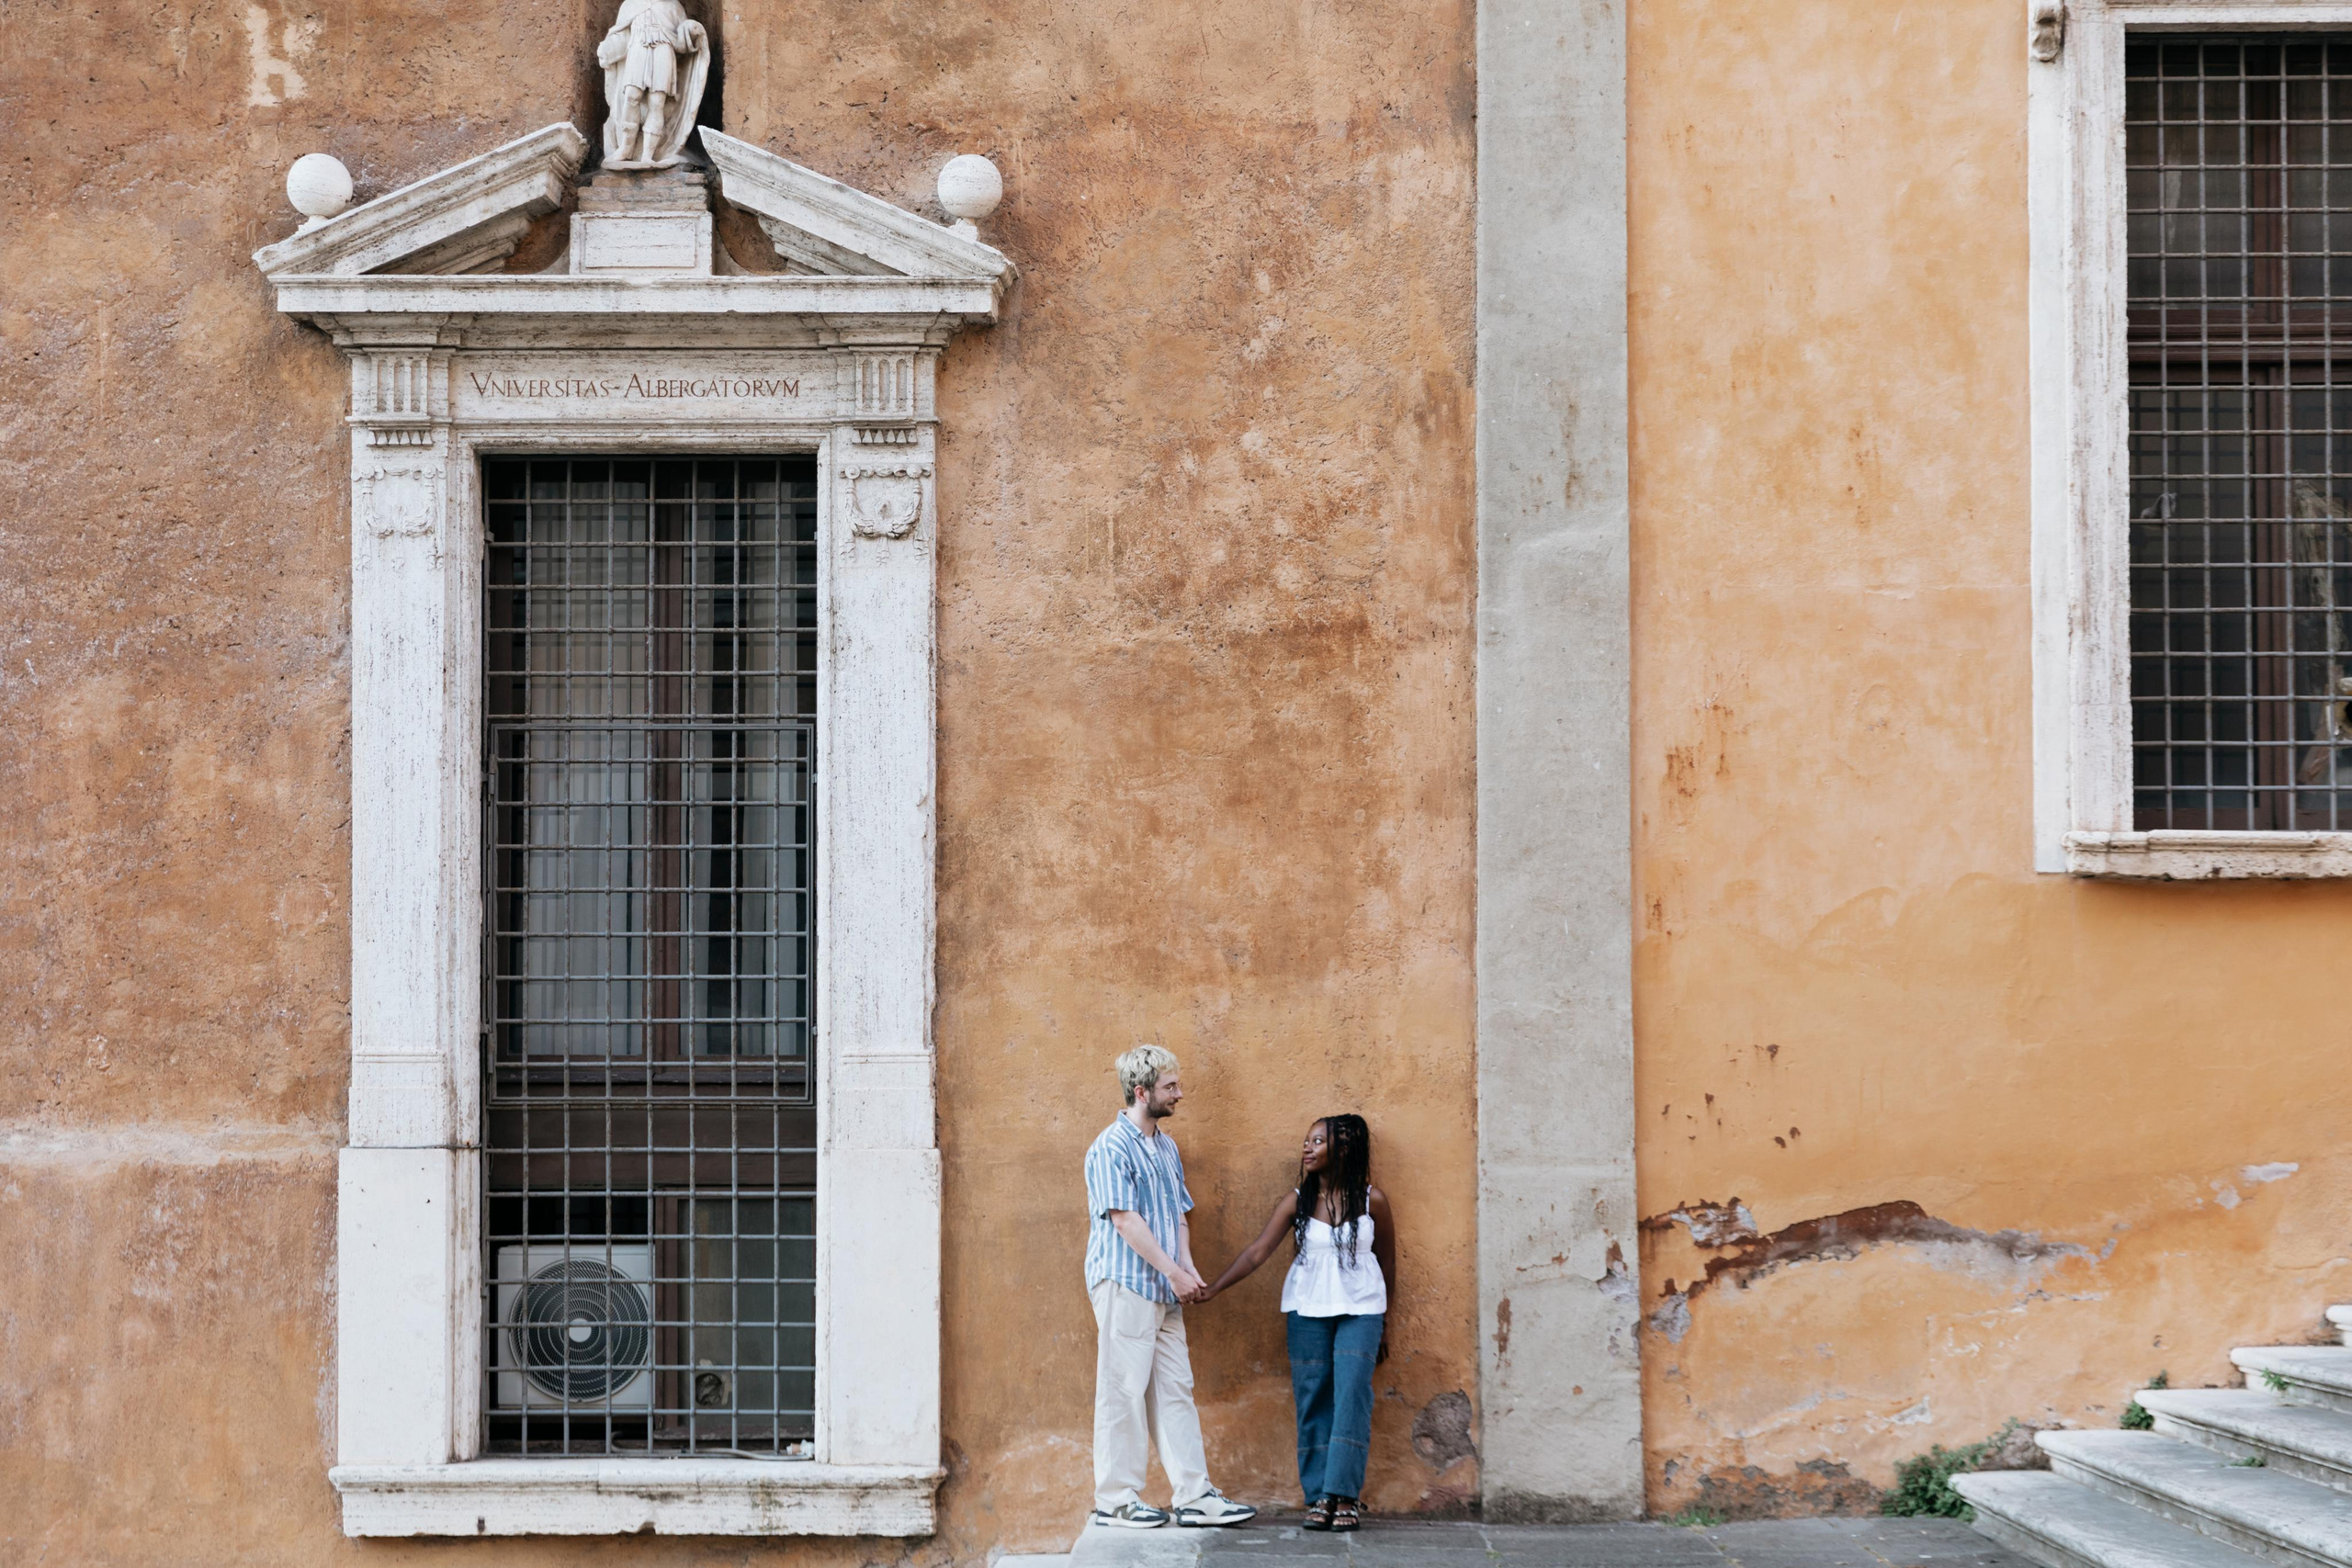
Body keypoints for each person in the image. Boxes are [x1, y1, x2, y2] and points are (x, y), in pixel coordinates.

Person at [1080, 1045, 1259, 1529]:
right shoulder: (1110, 1146)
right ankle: (1116, 1500)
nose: (1179, 1094)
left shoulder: (1166, 1145)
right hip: (1126, 1283)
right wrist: (1172, 1272)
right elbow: (1124, 1219)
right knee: (1122, 1391)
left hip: (1163, 1290)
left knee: (1176, 1390)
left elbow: (1178, 1213)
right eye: (1170, 1087)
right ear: (1142, 1092)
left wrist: (1186, 1268)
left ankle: (1194, 1496)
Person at [1201, 1114, 1395, 1533]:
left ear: (1343, 1149)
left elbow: (1388, 1260)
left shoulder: (1371, 1201)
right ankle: (1320, 1496)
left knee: (1351, 1398)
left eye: (1318, 1141)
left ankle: (1345, 1495)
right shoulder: (1297, 1202)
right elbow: (1257, 1253)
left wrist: (1386, 1324)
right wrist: (1214, 1288)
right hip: (1307, 1311)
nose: (1307, 1148)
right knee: (1312, 1400)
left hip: (1362, 1311)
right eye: (1306, 1141)